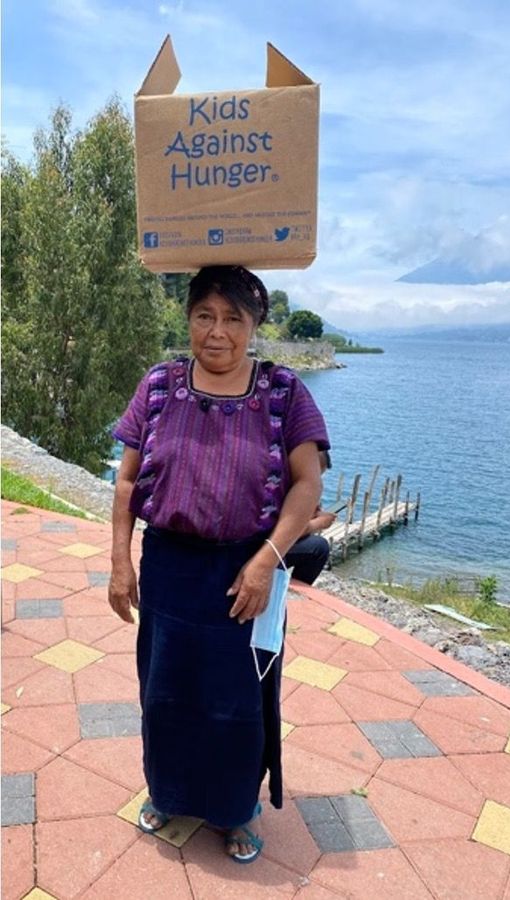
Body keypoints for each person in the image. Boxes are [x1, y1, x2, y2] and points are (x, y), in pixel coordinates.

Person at [109, 265, 330, 864]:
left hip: (248, 574)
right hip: (169, 571)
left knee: (237, 702)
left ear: (255, 325)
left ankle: (237, 809)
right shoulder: (159, 385)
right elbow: (127, 481)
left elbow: (306, 486)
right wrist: (119, 563)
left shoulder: (283, 392)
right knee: (165, 692)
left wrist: (265, 563)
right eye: (205, 314)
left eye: (234, 317)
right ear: (188, 319)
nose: (218, 331)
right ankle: (170, 792)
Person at [285, 450, 336, 584]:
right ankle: (291, 591)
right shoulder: (286, 486)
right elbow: (286, 532)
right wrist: (319, 523)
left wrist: (307, 515)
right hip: (259, 549)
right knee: (319, 547)